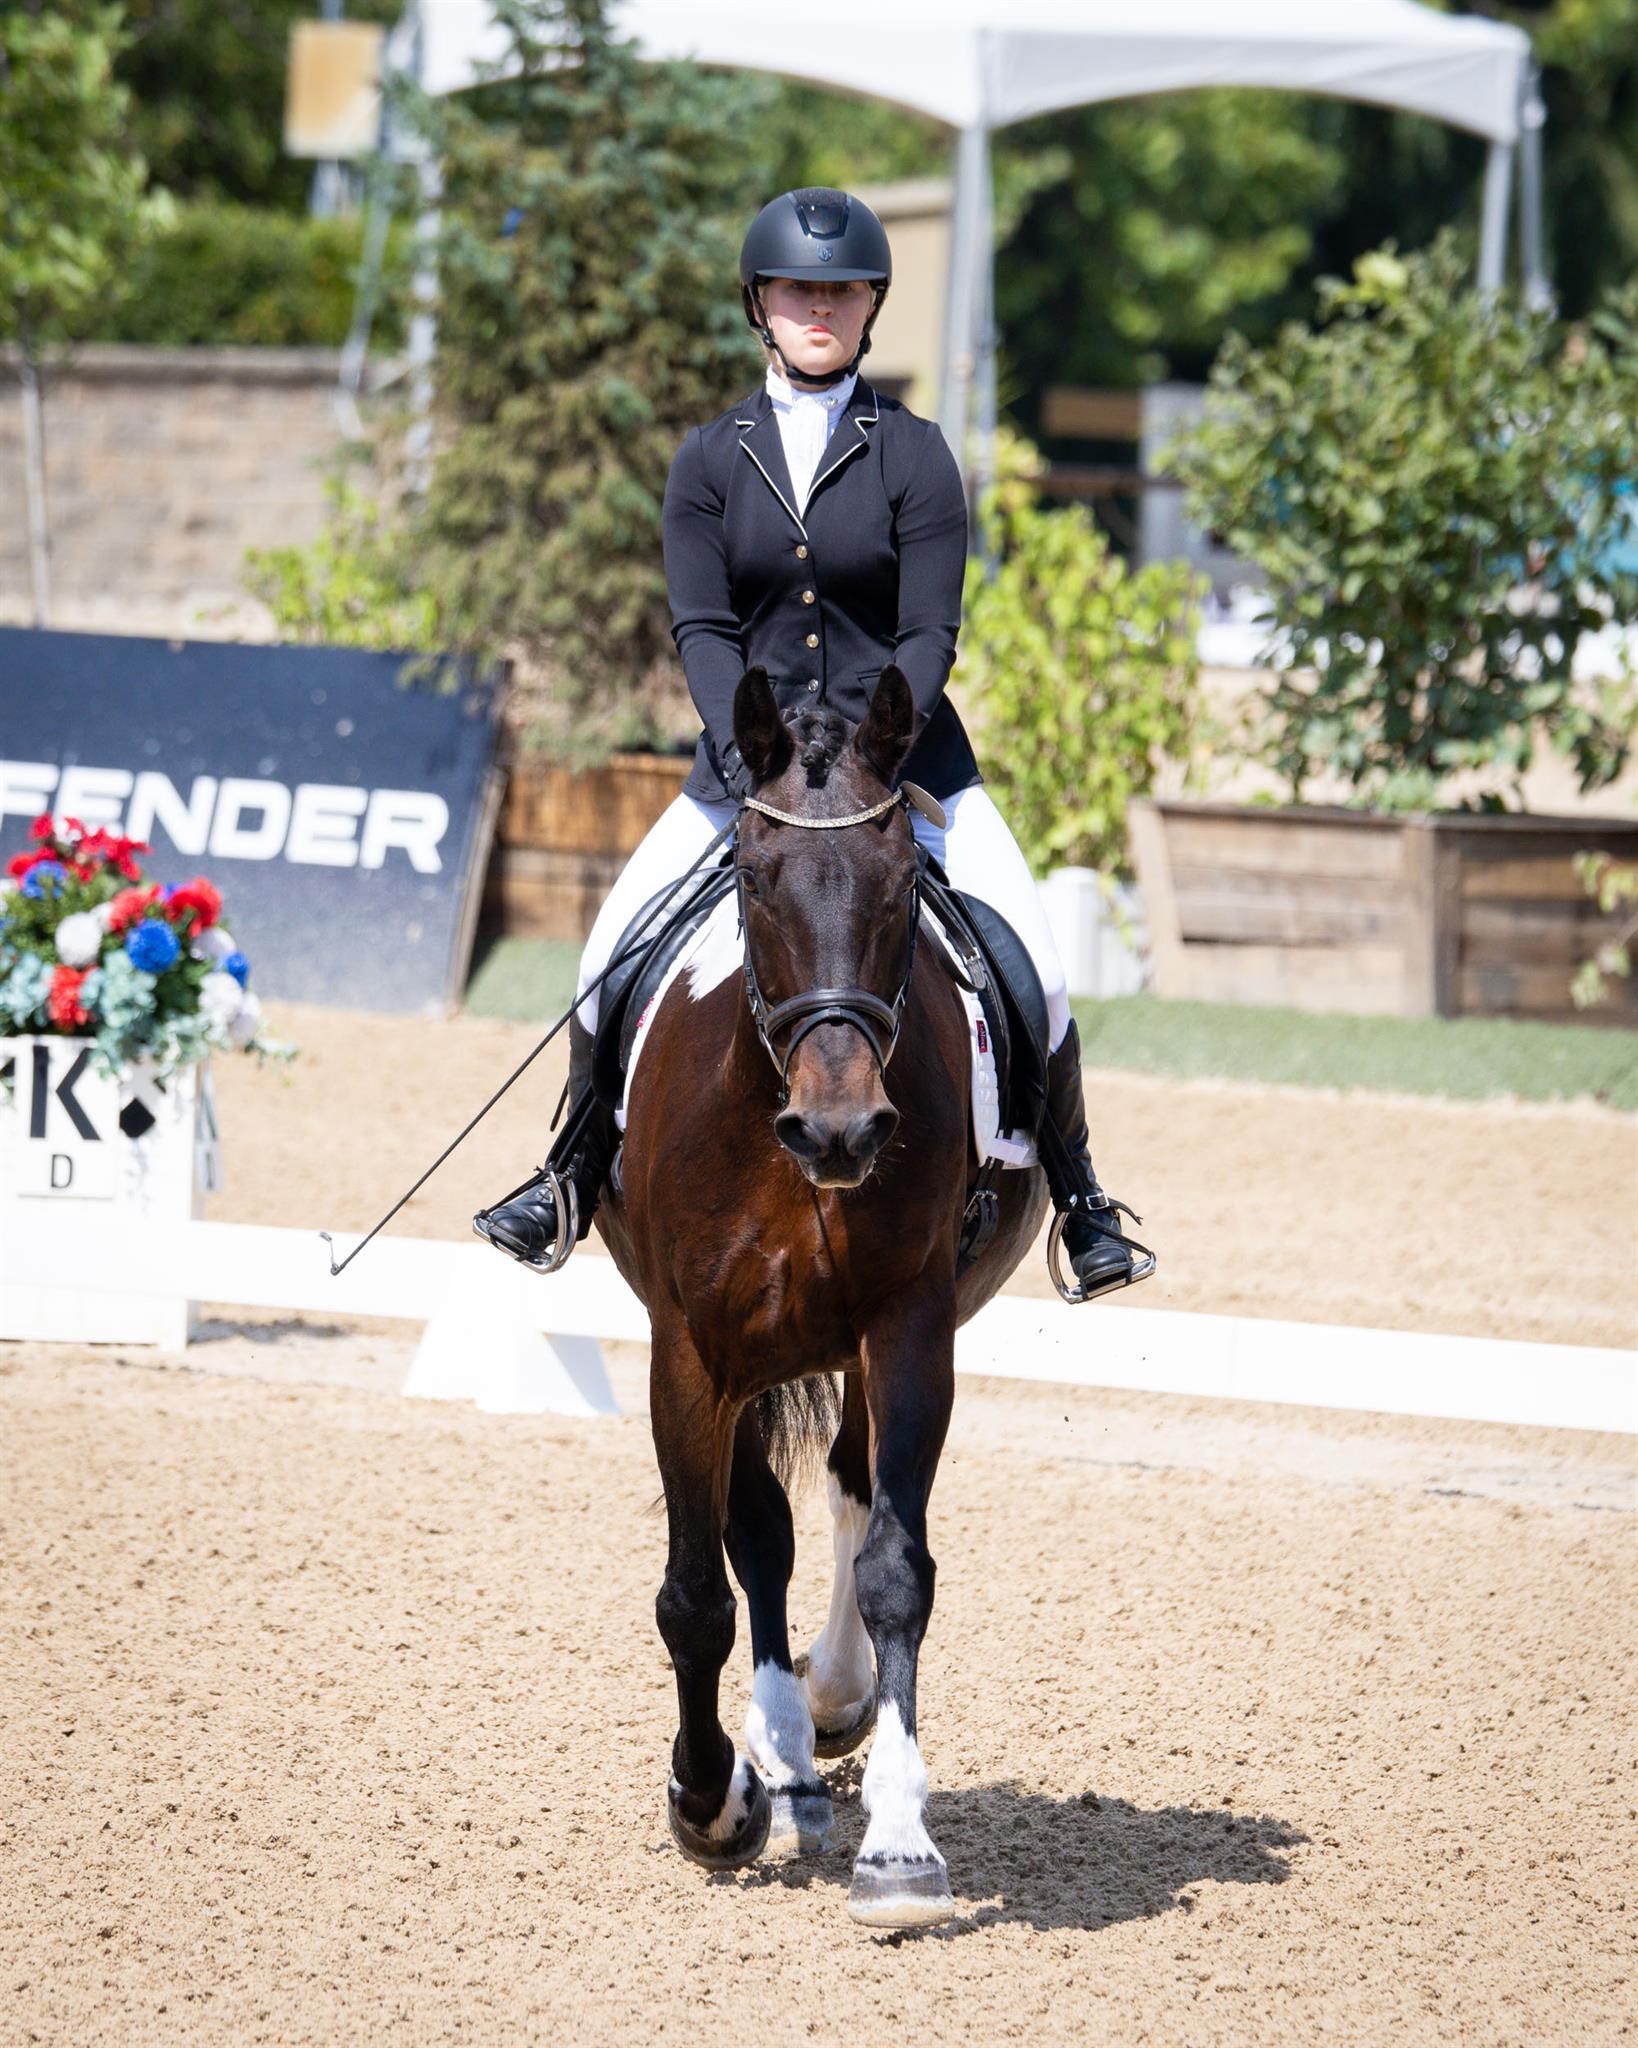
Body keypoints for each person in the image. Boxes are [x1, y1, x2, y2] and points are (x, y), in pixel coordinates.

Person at [474, 187, 1152, 1302]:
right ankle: (570, 1169)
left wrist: (886, 747)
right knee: (607, 951)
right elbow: (699, 624)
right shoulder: (706, 461)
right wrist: (745, 756)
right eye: (800, 288)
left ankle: (1078, 1199)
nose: (820, 307)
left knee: (1038, 955)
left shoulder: (917, 455)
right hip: (744, 767)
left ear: (871, 305)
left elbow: (932, 626)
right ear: (761, 303)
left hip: (908, 765)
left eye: (842, 290)